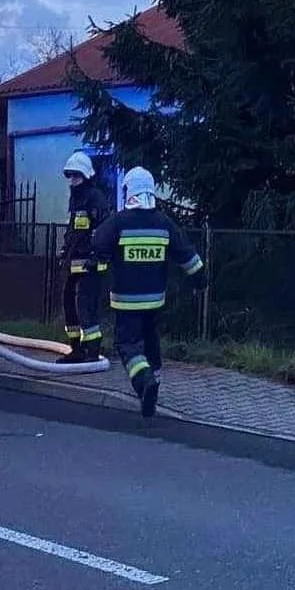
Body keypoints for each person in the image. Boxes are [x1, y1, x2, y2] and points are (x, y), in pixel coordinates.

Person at [90, 167, 207, 418]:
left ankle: (144, 381)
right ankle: (153, 382)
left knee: (127, 343)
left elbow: (99, 242)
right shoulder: (164, 222)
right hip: (155, 300)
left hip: (126, 301)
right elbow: (188, 255)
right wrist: (200, 281)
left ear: (129, 191)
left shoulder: (119, 221)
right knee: (151, 340)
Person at [60, 151, 112, 362]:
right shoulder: (76, 199)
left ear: (86, 176)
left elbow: (103, 230)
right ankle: (76, 349)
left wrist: (96, 256)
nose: (73, 181)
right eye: (70, 177)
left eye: (76, 176)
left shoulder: (95, 198)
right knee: (69, 304)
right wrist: (65, 249)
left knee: (86, 307)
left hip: (91, 266)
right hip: (74, 263)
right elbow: (74, 229)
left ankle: (92, 351)